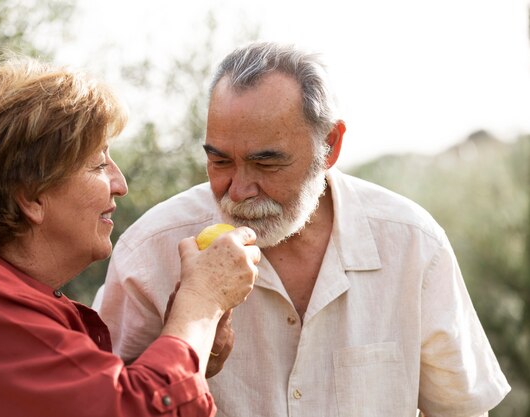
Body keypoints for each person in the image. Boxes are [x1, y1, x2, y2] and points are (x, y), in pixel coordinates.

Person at [94, 41, 511, 417]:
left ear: (330, 145)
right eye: (220, 161)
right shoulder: (149, 251)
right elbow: (105, 404)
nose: (237, 191)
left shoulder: (413, 244)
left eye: (266, 163)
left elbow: (461, 411)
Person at [0, 58, 261, 417]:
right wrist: (200, 304)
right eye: (99, 164)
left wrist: (192, 350)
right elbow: (131, 409)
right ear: (31, 196)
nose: (120, 186)